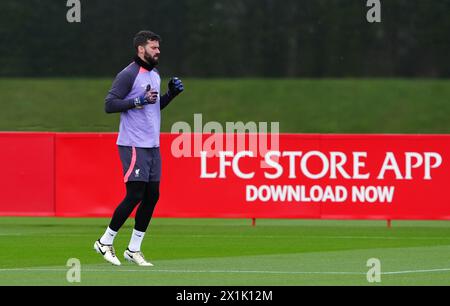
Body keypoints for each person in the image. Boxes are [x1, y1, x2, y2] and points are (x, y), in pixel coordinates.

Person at [94, 30, 184, 266]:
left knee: (152, 195)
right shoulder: (128, 74)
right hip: (133, 144)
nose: (158, 51)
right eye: (153, 47)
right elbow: (109, 104)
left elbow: (153, 107)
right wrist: (137, 101)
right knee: (135, 194)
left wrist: (170, 95)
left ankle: (133, 249)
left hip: (152, 145)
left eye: (158, 48)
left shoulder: (154, 74)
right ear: (140, 49)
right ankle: (104, 242)